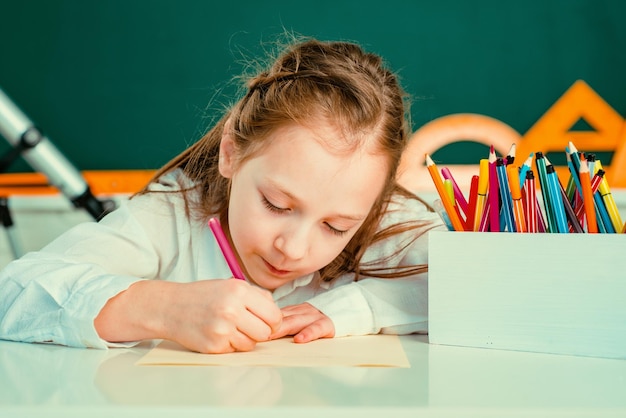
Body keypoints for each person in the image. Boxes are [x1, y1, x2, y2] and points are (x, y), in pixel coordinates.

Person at [0, 37, 445, 354]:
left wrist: (358, 307)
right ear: (231, 154)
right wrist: (158, 307)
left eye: (335, 227)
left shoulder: (387, 220)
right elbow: (12, 295)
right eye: (277, 205)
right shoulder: (173, 215)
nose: (293, 248)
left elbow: (494, 291)